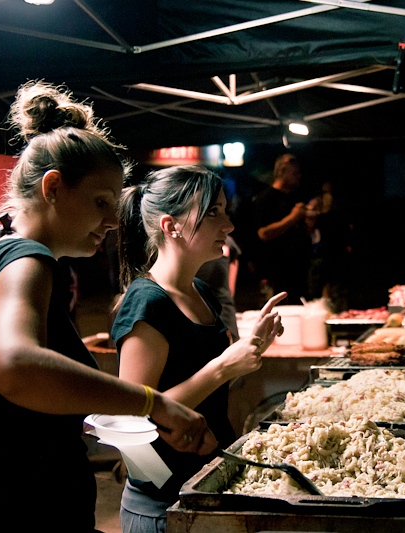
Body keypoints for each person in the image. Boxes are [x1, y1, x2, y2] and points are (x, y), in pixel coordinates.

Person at [0, 81, 218, 533]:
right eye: (100, 202)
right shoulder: (29, 263)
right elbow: (14, 365)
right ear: (53, 188)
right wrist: (154, 404)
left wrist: (39, 435)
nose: (113, 222)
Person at [112, 165, 286, 533]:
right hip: (164, 506)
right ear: (170, 226)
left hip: (207, 487)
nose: (228, 225)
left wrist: (251, 348)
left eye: (224, 210)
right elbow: (129, 420)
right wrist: (222, 367)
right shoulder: (147, 303)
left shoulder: (200, 292)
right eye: (212, 213)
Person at [251, 153, 311, 305]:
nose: (298, 176)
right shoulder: (265, 199)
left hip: (298, 270)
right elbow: (263, 233)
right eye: (294, 173)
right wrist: (293, 218)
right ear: (281, 172)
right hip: (276, 273)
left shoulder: (294, 197)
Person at [196, 234, 241, 340]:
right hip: (194, 309)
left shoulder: (228, 242)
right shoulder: (188, 241)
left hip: (223, 309)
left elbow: (233, 263)